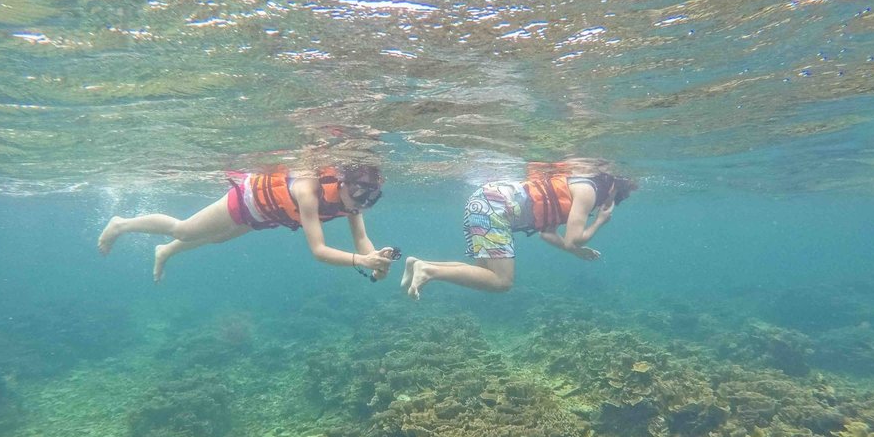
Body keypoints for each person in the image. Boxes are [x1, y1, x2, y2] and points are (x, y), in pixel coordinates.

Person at [99, 164, 397, 282]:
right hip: (249, 201)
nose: (363, 202)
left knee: (215, 237)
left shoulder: (353, 203)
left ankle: (165, 251)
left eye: (371, 196)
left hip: (265, 217)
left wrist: (375, 260)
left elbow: (362, 241)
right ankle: (121, 224)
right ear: (343, 182)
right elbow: (318, 250)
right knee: (185, 230)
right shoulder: (310, 190)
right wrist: (363, 261)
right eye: (359, 192)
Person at [401, 160, 637, 299]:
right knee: (502, 282)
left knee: (484, 273)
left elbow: (548, 233)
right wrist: (599, 222)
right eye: (618, 198)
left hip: (486, 200)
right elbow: (574, 239)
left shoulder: (578, 187)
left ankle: (420, 264)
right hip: (495, 207)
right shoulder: (588, 191)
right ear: (613, 188)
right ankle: (429, 271)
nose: (611, 204)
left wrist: (574, 252)